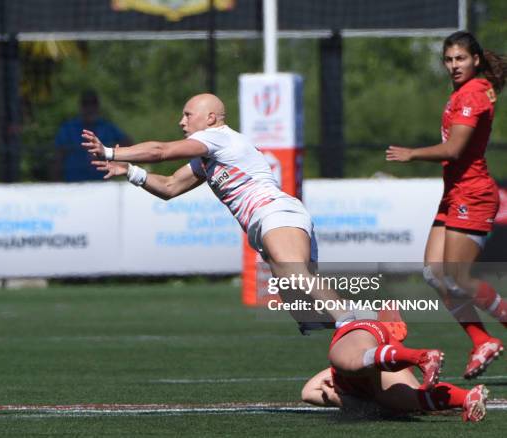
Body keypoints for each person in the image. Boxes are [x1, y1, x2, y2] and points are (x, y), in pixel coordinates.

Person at [81, 93, 375, 330]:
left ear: (210, 118)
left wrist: (110, 152)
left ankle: (356, 321)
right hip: (267, 222)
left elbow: (160, 151)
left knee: (299, 277)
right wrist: (129, 171)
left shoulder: (218, 137)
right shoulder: (207, 158)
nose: (180, 121)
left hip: (275, 212)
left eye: (187, 114)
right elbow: (170, 186)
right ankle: (373, 322)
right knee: (306, 314)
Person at [386, 31, 507, 379]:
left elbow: (454, 149)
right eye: (449, 59)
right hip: (454, 194)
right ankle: (481, 339)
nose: (454, 65)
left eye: (461, 59)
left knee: (457, 277)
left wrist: (412, 154)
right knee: (434, 274)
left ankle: (487, 334)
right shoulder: (464, 91)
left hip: (474, 195)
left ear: (476, 60)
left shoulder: (473, 94)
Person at [301, 319, 489, 423]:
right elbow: (309, 393)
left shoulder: (384, 395)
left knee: (351, 365)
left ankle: (419, 357)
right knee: (361, 372)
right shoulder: (390, 397)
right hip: (373, 345)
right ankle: (467, 397)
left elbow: (308, 393)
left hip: (363, 337)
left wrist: (336, 398)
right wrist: (337, 398)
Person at [53, 90, 132, 182]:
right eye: (86, 103)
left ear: (98, 106)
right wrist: (57, 182)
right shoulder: (68, 128)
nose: (89, 107)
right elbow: (58, 157)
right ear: (81, 106)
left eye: (93, 103)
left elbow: (128, 143)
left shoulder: (107, 127)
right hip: (74, 182)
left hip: (102, 181)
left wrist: (107, 151)